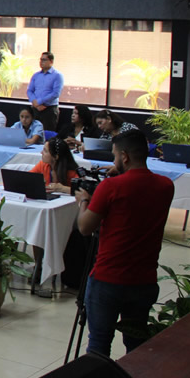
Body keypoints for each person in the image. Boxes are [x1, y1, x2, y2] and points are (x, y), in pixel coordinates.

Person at [76, 130, 173, 357]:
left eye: (115, 156)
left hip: (107, 280)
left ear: (125, 157)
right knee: (136, 344)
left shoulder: (110, 188)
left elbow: (85, 227)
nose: (113, 161)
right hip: (144, 281)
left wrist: (83, 202)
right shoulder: (166, 186)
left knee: (99, 344)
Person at [26, 51, 63, 131]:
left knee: (47, 134)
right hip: (35, 109)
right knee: (32, 132)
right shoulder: (36, 75)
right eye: (40, 60)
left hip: (49, 109)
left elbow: (55, 93)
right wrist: (35, 103)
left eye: (44, 60)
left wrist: (39, 101)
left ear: (51, 61)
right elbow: (29, 91)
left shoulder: (57, 75)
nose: (41, 62)